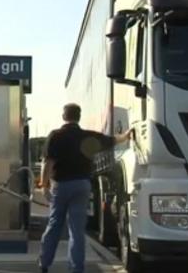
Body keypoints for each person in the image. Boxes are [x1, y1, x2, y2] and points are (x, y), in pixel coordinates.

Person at [39, 103, 132, 273]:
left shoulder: (56, 136)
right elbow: (111, 140)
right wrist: (125, 136)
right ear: (78, 117)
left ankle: (44, 264)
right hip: (82, 185)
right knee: (77, 230)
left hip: (60, 186)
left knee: (54, 225)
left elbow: (48, 163)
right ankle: (76, 269)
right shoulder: (88, 137)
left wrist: (43, 186)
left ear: (63, 116)